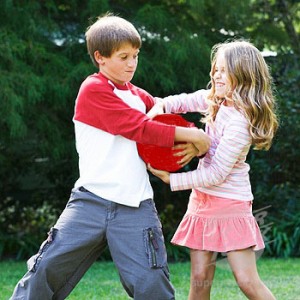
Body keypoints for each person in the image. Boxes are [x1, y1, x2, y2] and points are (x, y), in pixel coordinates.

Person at [10, 13, 210, 300]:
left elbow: (169, 125)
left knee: (152, 282)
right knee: (45, 270)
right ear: (100, 57)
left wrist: (196, 142)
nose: (132, 63)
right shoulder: (92, 90)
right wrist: (195, 137)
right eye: (123, 56)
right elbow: (138, 129)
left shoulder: (142, 97)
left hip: (136, 205)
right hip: (89, 201)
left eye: (136, 55)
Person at [148, 40, 278, 300]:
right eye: (215, 69)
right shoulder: (216, 101)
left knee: (246, 281)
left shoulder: (241, 121)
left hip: (231, 204)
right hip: (202, 202)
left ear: (242, 74)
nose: (216, 75)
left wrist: (172, 180)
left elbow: (217, 173)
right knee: (199, 280)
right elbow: (183, 101)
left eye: (223, 70)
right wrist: (161, 106)